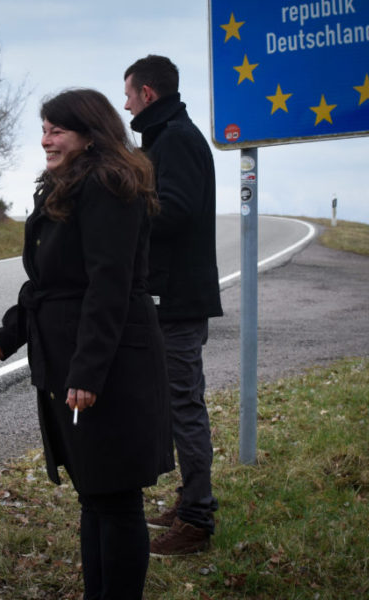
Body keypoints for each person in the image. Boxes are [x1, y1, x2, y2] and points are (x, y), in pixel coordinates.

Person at [0, 89, 173, 600]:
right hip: (72, 361)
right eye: (43, 130)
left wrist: (87, 371)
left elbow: (109, 286)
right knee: (94, 493)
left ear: (90, 134)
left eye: (56, 130)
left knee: (116, 497)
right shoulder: (65, 187)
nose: (45, 140)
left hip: (109, 366)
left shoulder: (107, 186)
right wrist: (4, 338)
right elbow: (47, 286)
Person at [124, 55, 224, 556]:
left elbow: (177, 211)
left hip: (179, 298)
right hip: (169, 293)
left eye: (128, 95)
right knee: (174, 403)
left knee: (185, 406)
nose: (125, 106)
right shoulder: (165, 137)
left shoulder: (177, 139)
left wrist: (126, 207)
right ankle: (189, 500)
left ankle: (197, 520)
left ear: (147, 93)